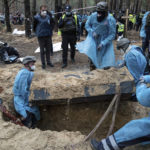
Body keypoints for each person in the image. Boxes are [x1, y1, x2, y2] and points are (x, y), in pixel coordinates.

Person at [90, 39, 150, 150]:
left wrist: (141, 87)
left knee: (137, 127)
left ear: (122, 48)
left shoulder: (130, 56)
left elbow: (142, 96)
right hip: (143, 74)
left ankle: (104, 147)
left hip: (139, 87)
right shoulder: (135, 49)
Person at [76, 1, 116, 70]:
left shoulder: (110, 19)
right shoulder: (93, 16)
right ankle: (92, 65)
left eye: (101, 12)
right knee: (92, 51)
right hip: (93, 37)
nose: (99, 14)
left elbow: (112, 34)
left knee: (104, 54)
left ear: (105, 12)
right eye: (98, 12)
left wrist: (103, 43)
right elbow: (87, 25)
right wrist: (92, 32)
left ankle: (104, 65)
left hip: (105, 39)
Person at [13, 56, 40, 128]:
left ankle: (34, 127)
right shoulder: (24, 74)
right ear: (27, 64)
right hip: (21, 99)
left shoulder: (27, 72)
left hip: (25, 97)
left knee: (35, 112)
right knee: (27, 116)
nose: (34, 65)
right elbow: (22, 90)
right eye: (32, 64)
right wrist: (29, 101)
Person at [33, 5, 54, 69]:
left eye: (45, 10)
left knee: (48, 50)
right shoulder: (36, 17)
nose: (44, 11)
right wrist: (37, 32)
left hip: (48, 35)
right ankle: (43, 63)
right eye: (43, 10)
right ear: (40, 10)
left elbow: (52, 23)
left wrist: (51, 30)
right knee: (42, 51)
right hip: (41, 36)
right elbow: (34, 26)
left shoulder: (48, 17)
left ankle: (48, 62)